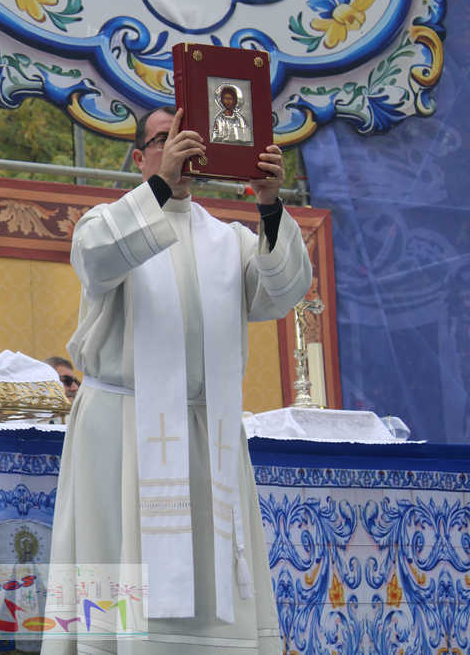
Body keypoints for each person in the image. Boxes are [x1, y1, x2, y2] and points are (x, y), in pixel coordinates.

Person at [43, 106, 311, 654]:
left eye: (188, 136)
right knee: (120, 576)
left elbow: (281, 293)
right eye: (164, 138)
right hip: (123, 433)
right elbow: (95, 260)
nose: (180, 146)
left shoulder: (229, 241)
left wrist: (268, 203)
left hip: (205, 435)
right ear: (139, 157)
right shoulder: (107, 222)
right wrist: (160, 188)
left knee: (211, 582)